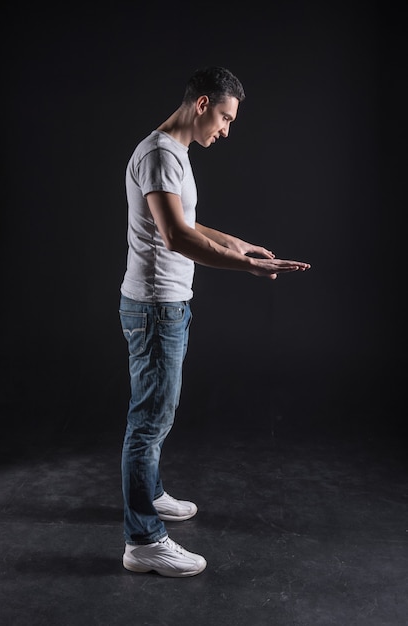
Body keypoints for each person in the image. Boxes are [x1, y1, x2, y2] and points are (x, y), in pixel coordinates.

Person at [119, 66, 310, 578]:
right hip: (157, 305)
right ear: (202, 105)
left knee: (160, 409)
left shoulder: (172, 153)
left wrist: (235, 243)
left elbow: (187, 222)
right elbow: (176, 239)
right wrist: (247, 267)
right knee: (149, 420)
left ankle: (151, 495)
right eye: (225, 117)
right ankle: (144, 541)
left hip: (165, 302)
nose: (226, 130)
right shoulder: (160, 155)